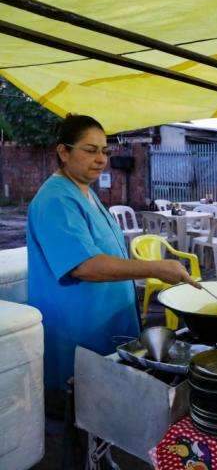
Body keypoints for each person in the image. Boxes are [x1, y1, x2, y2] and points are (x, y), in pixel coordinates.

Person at [27, 115, 200, 399]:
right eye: (90, 150)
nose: (101, 159)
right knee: (84, 419)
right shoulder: (55, 200)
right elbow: (84, 266)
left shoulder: (85, 193)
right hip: (78, 333)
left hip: (108, 328)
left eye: (104, 151)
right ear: (63, 151)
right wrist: (155, 267)